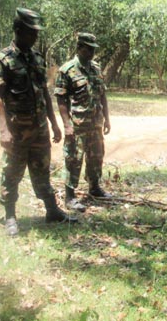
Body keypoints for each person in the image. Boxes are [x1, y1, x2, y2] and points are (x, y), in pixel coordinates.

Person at [0, 8, 77, 236]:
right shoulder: (2, 60)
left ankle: (52, 211)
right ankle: (9, 216)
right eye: (31, 32)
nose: (35, 37)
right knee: (12, 174)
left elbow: (44, 93)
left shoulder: (37, 58)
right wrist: (3, 131)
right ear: (18, 31)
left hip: (39, 129)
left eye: (36, 33)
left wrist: (54, 123)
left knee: (42, 170)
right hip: (17, 130)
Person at [54, 33, 113, 213]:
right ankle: (70, 196)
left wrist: (107, 118)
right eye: (88, 49)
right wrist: (67, 125)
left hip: (95, 123)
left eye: (94, 49)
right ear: (79, 48)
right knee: (73, 159)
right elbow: (61, 99)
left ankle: (94, 188)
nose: (92, 53)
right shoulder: (67, 70)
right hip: (78, 125)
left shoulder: (95, 68)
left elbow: (102, 94)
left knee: (96, 157)